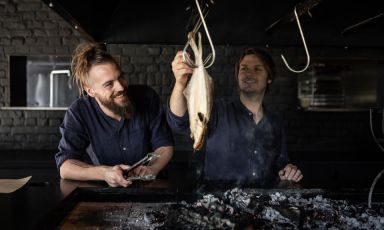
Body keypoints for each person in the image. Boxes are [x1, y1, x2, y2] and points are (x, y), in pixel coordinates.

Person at [167, 48, 303, 186]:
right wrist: (180, 83)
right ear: (237, 75)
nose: (249, 74)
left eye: (257, 69)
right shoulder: (217, 111)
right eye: (244, 69)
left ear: (269, 78)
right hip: (218, 203)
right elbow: (180, 121)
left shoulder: (275, 121)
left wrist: (288, 170)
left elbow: (282, 163)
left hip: (263, 203)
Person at [55, 42, 174, 187]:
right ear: (91, 91)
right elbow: (66, 167)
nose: (121, 86)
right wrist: (104, 173)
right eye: (108, 84)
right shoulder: (78, 112)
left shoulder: (147, 97)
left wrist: (153, 168)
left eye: (121, 77)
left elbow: (164, 145)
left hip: (150, 188)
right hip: (104, 193)